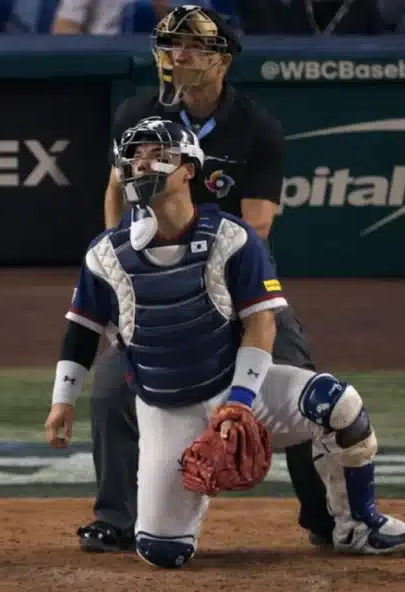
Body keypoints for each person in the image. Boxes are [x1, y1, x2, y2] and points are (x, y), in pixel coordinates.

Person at [45, 117, 405, 568]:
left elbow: (262, 324)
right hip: (165, 407)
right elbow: (82, 329)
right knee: (163, 551)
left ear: (189, 169)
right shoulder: (105, 253)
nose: (144, 164)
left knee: (337, 405)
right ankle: (173, 505)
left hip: (238, 391)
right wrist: (62, 401)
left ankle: (357, 524)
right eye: (135, 156)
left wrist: (239, 402)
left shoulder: (232, 238)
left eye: (158, 154)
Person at [77, 3, 335, 554]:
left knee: (297, 376)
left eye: (195, 45)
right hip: (152, 284)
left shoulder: (256, 128)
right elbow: (115, 190)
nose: (181, 55)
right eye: (173, 44)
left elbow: (257, 223)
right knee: (111, 387)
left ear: (224, 59)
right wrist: (122, 261)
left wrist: (203, 261)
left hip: (234, 283)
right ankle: (116, 517)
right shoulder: (137, 113)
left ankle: (326, 516)